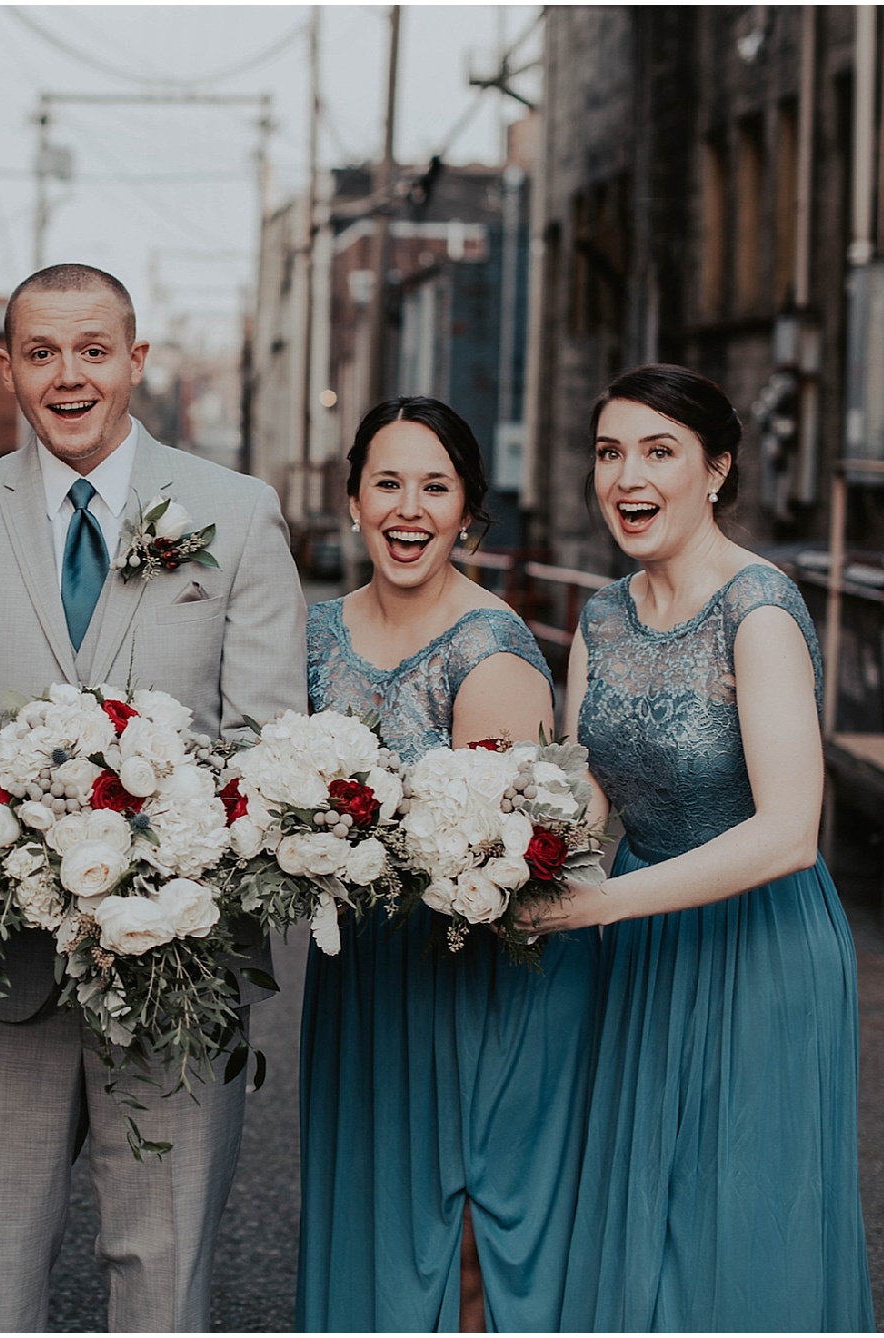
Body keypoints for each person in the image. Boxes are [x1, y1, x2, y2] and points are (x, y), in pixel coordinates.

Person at [0, 263, 307, 1332]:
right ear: (8, 368)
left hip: (180, 963)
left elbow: (264, 746)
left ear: (135, 361)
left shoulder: (236, 515)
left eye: (91, 350)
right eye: (40, 353)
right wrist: (20, 851)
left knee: (160, 1280)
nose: (67, 377)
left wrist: (156, 866)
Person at [541, 364, 875, 1330]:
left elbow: (789, 835)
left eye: (658, 452)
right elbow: (590, 801)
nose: (626, 477)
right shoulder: (600, 619)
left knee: (742, 1225)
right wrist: (497, 855)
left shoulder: (757, 611)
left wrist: (598, 904)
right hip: (646, 950)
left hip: (759, 948)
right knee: (650, 1214)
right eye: (609, 453)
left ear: (716, 471)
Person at [295, 397, 599, 1333]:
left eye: (436, 487)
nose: (408, 508)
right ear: (352, 502)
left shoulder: (491, 648)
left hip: (475, 980)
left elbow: (518, 863)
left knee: (460, 1229)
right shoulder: (312, 635)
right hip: (363, 977)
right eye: (387, 483)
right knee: (371, 1208)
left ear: (468, 513)